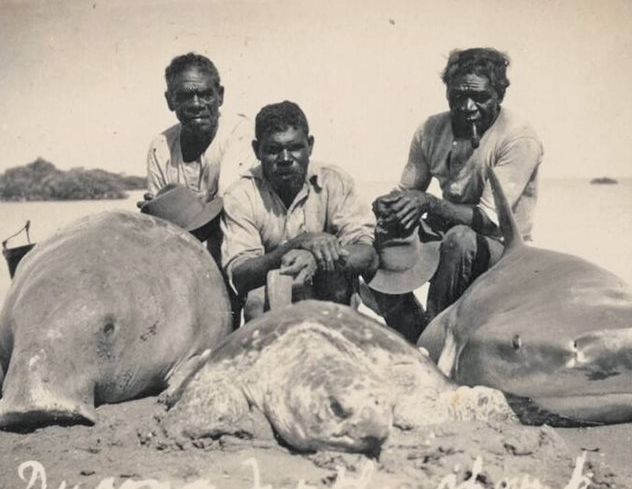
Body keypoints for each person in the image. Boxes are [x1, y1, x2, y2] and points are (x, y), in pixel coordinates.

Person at [369, 47, 543, 342]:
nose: (468, 107)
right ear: (447, 92)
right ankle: (412, 331)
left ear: (500, 96)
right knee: (370, 245)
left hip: (506, 251)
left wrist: (426, 202)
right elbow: (408, 191)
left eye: (480, 97)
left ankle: (438, 338)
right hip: (447, 233)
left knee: (459, 240)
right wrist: (388, 207)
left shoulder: (518, 138)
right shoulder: (430, 129)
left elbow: (489, 220)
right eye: (459, 96)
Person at [221, 101, 378, 322]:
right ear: (256, 150)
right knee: (256, 300)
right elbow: (240, 274)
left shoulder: (335, 181)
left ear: (310, 145)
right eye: (274, 150)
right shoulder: (241, 194)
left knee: (338, 286)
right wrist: (297, 244)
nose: (285, 159)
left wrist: (314, 256)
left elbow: (366, 255)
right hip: (271, 304)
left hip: (329, 294)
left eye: (295, 147)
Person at [140, 52, 254, 208]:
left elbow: (229, 206)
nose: (196, 104)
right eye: (185, 96)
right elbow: (161, 217)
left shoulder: (240, 132)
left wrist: (169, 207)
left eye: (205, 95)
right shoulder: (160, 146)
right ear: (170, 100)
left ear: (220, 96)